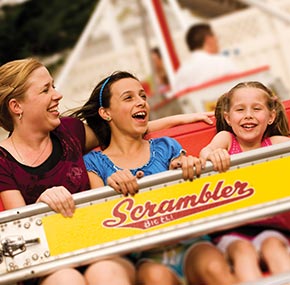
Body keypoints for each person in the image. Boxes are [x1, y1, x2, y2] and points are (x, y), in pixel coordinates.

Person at [0, 58, 214, 285]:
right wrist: (41, 206)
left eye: (53, 85)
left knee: (103, 273)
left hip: (97, 248)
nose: (57, 94)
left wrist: (180, 120)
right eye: (46, 90)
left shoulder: (70, 131)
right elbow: (20, 232)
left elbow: (122, 130)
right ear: (16, 106)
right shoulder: (3, 160)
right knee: (67, 280)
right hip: (53, 263)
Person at [70, 70, 239, 285]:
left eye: (142, 96)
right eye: (129, 98)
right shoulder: (94, 162)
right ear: (106, 113)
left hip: (190, 243)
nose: (140, 102)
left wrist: (189, 167)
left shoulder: (166, 147)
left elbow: (192, 189)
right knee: (155, 278)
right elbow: (100, 218)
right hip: (146, 255)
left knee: (213, 266)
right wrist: (111, 192)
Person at [199, 81, 290, 283]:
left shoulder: (274, 144)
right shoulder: (227, 139)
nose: (248, 115)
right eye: (240, 109)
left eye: (256, 109)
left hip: (272, 229)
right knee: (243, 252)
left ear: (271, 116)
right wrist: (214, 155)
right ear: (228, 118)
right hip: (233, 232)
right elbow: (207, 152)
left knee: (274, 246)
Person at [172, 22, 238, 94]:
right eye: (216, 38)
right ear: (208, 39)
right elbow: (239, 88)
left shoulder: (181, 73)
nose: (217, 42)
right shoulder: (222, 62)